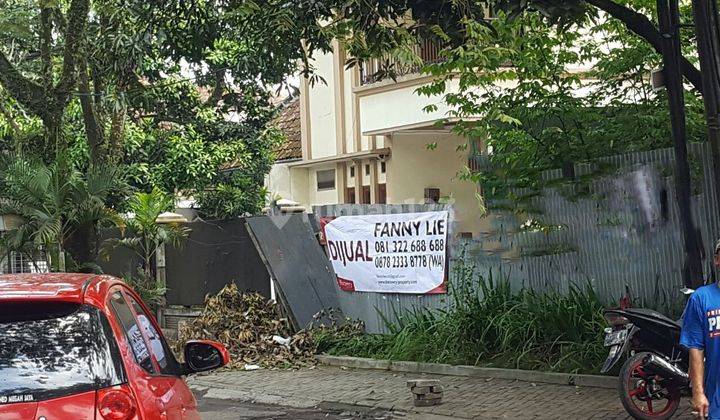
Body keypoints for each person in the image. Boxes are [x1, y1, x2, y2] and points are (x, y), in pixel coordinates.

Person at [681, 240, 720, 418]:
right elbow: (696, 348)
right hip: (717, 398)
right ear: (717, 260)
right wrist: (698, 392)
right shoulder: (701, 298)